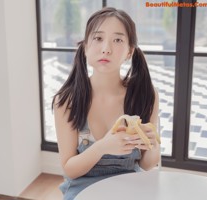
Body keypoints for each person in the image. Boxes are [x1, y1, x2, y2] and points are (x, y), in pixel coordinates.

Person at [52, 7, 160, 200]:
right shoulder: (66, 100)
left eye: (118, 40)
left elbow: (146, 165)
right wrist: (103, 147)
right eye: (98, 38)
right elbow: (70, 170)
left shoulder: (146, 95)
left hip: (131, 186)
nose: (106, 48)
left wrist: (153, 144)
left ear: (129, 52)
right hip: (82, 188)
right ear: (85, 47)